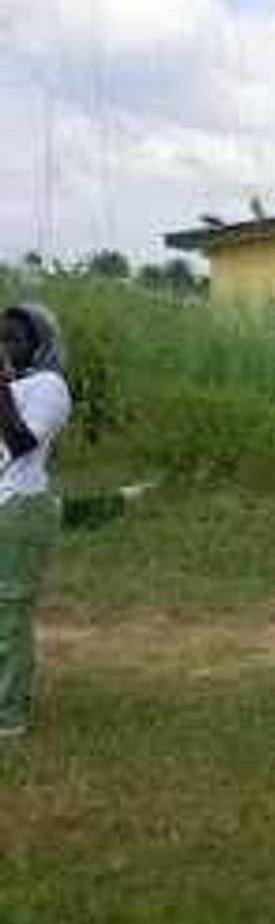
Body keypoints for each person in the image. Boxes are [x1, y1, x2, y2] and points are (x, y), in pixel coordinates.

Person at [0, 304, 71, 737]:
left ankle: (9, 714)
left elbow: (22, 442)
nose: (5, 347)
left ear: (40, 344)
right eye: (0, 338)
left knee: (7, 617)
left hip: (20, 510)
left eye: (15, 339)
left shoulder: (50, 385)